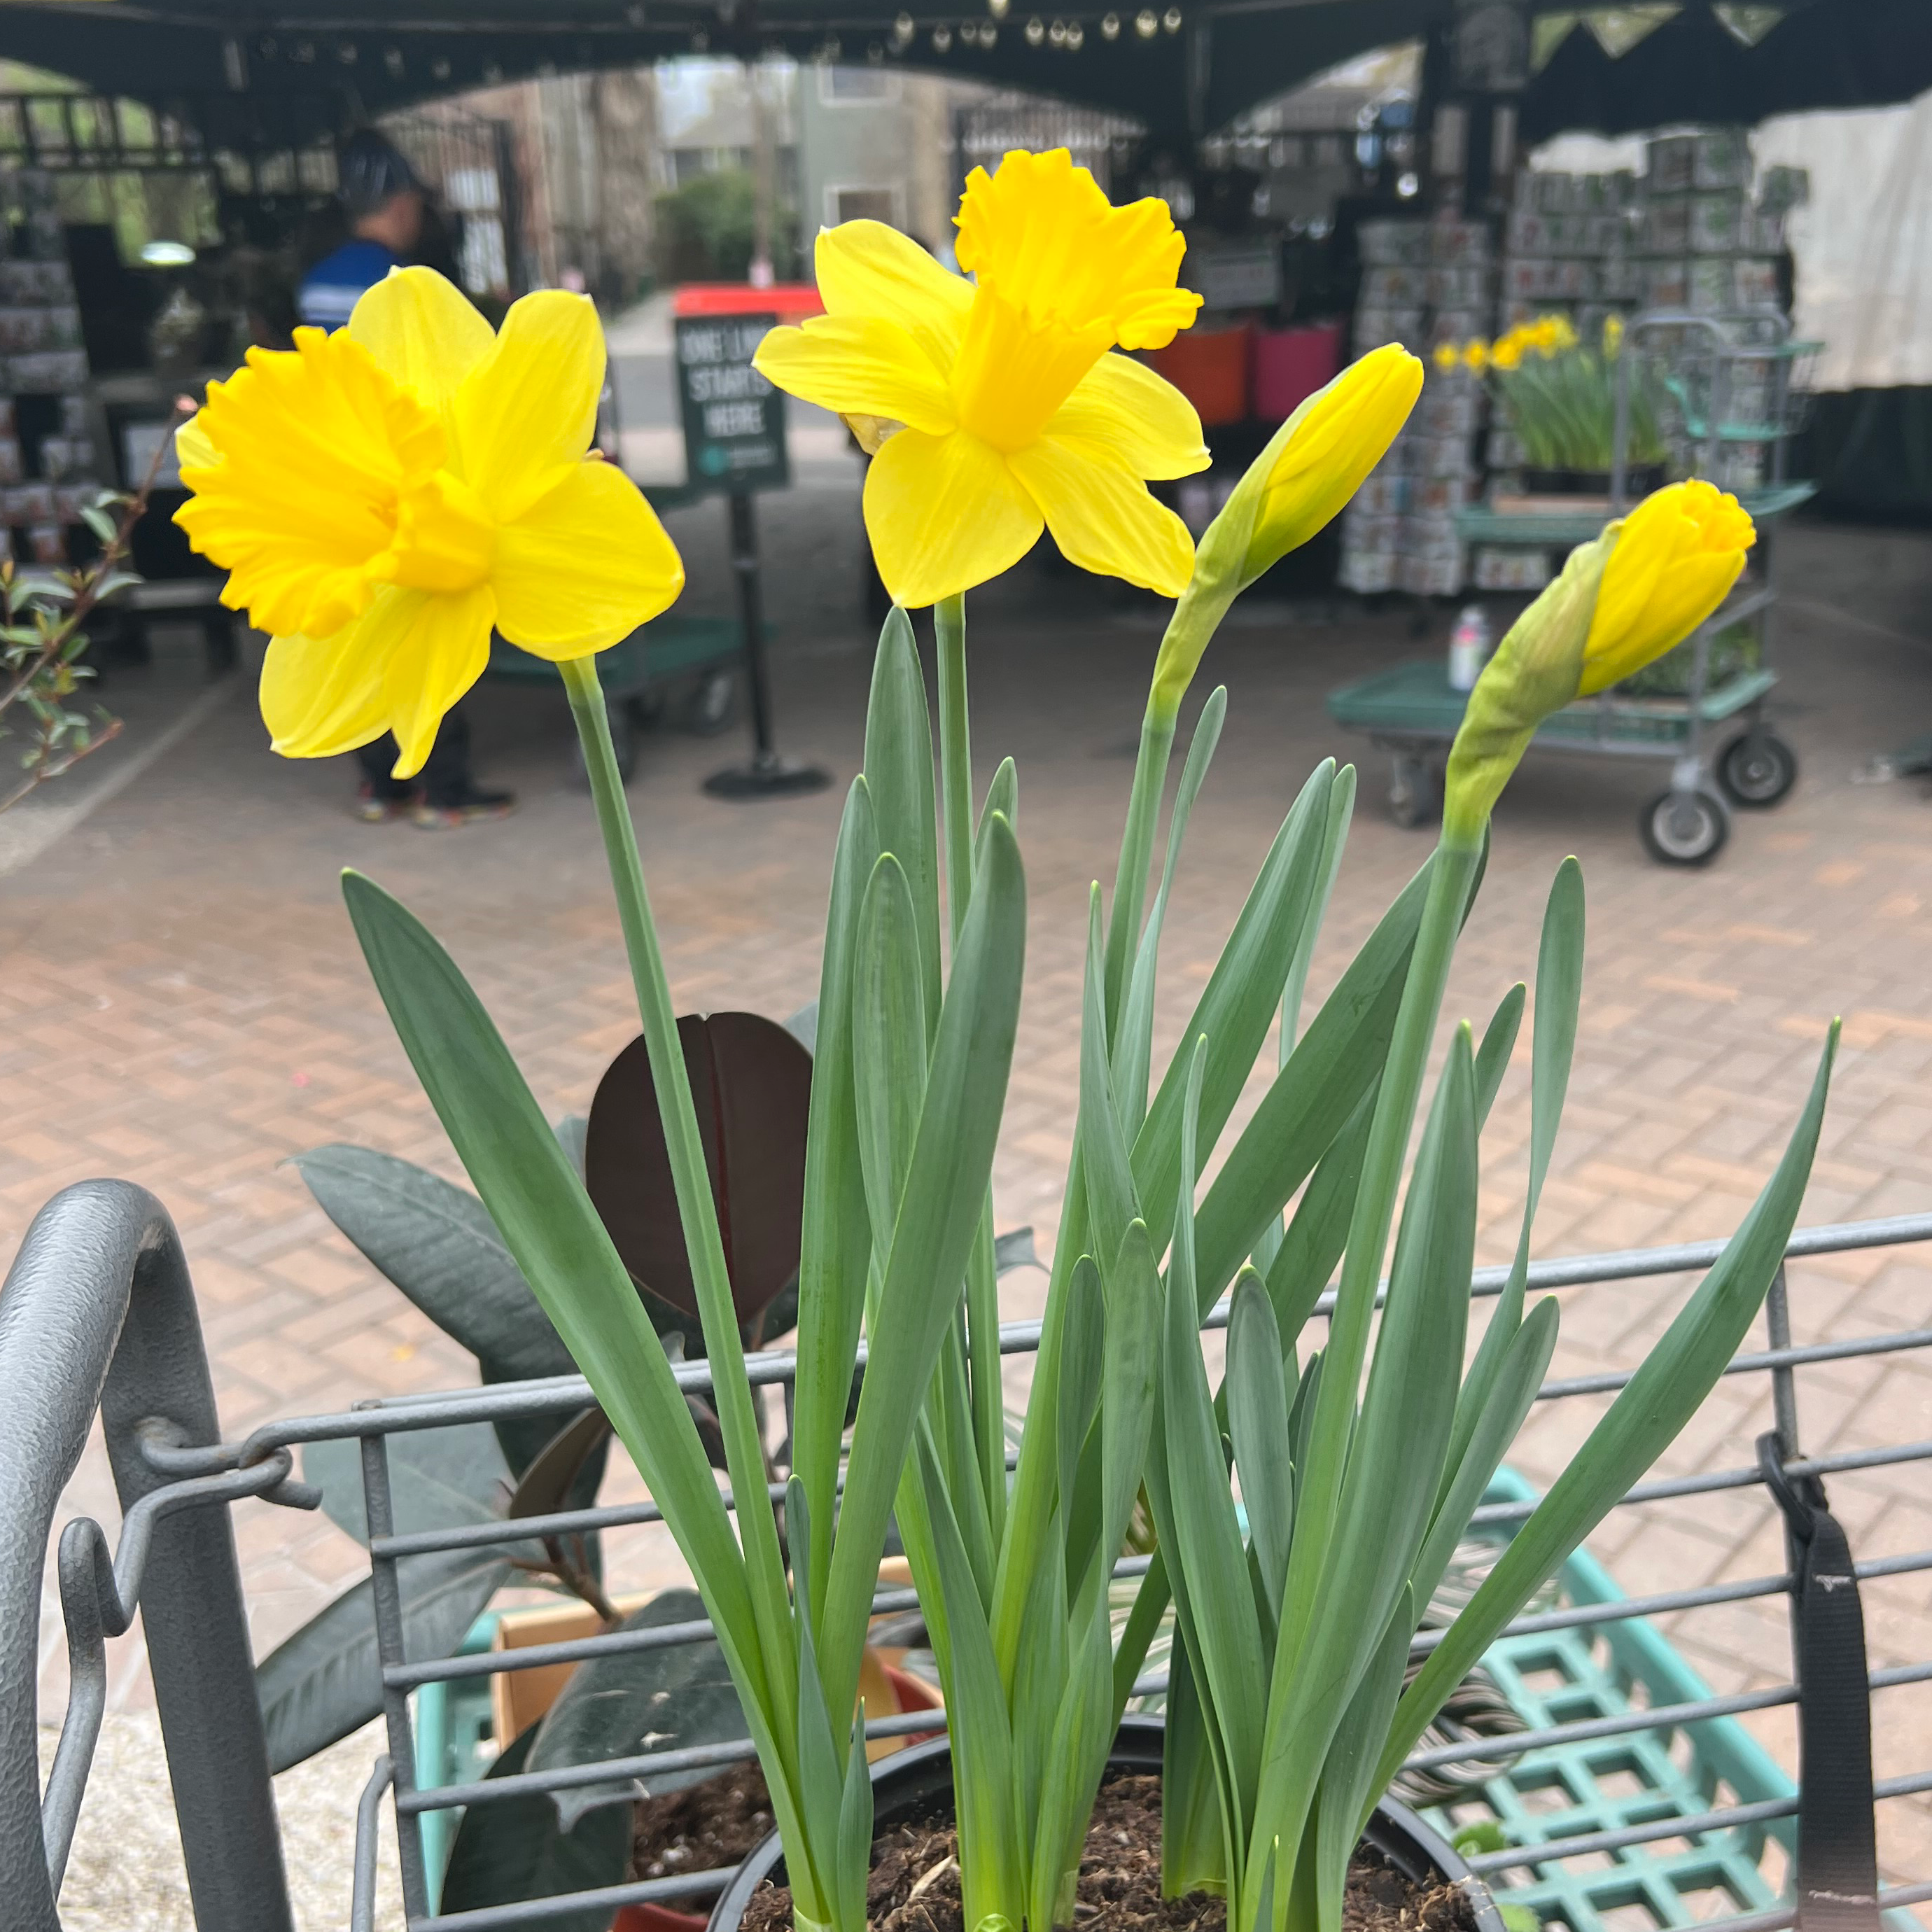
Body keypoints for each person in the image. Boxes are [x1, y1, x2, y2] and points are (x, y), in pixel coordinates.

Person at [298, 130, 515, 829]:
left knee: (364, 631)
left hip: (339, 489)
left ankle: (381, 788)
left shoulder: (317, 278)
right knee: (431, 636)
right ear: (399, 205)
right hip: (417, 487)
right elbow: (421, 385)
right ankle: (443, 790)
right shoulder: (396, 281)